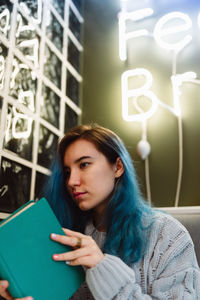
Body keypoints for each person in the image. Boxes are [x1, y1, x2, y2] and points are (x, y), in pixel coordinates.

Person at [0, 124, 200, 300]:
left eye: (84, 164)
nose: (71, 182)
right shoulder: (64, 237)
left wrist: (102, 267)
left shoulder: (169, 236)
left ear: (118, 167)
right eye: (67, 172)